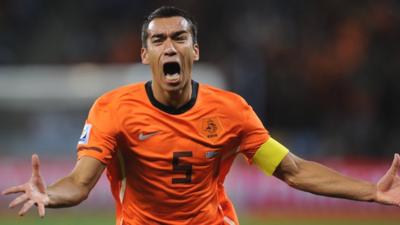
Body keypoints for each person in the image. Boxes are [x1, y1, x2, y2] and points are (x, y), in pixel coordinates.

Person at [2, 6, 400, 225]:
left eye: (180, 38)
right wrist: (49, 193)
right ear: (146, 56)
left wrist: (371, 191)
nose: (169, 47)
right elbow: (80, 183)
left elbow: (291, 170)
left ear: (195, 51)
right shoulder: (113, 110)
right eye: (158, 40)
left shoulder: (231, 111)